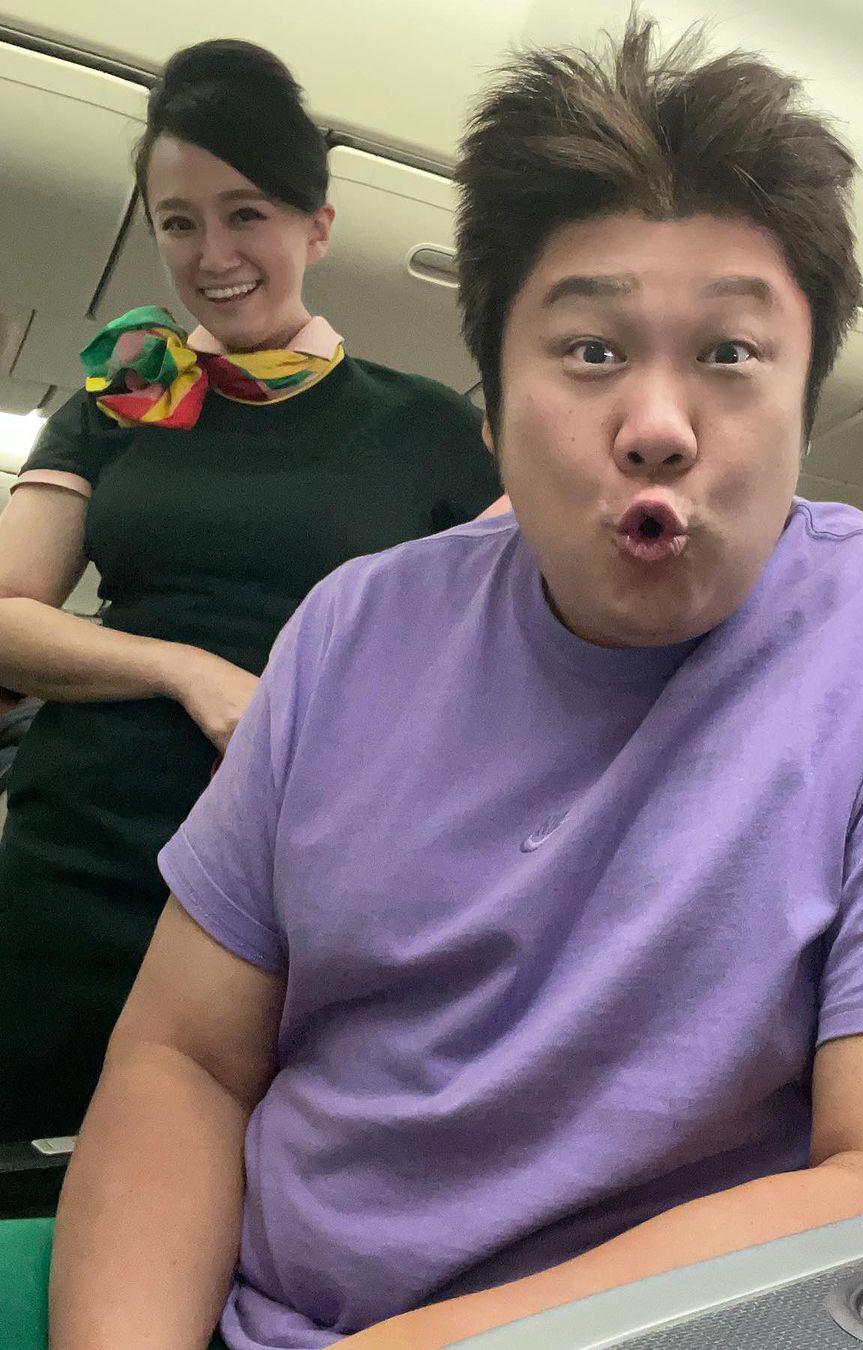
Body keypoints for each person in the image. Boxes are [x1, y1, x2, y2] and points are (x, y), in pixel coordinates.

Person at [35, 16, 863, 1350]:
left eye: (730, 353)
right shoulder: (353, 628)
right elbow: (185, 1056)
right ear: (491, 408)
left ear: (805, 404)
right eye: (591, 351)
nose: (658, 424)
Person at [0, 39, 503, 1144]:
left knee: (209, 1178)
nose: (213, 255)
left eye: (247, 215)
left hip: (282, 886)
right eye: (179, 222)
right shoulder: (121, 395)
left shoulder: (425, 428)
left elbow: (509, 646)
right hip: (72, 862)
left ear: (317, 225)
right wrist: (188, 672)